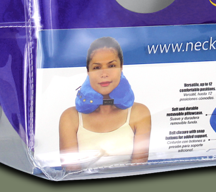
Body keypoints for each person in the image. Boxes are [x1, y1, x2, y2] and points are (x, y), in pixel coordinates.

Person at [58, 37, 151, 171]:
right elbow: (71, 173)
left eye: (112, 65)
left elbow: (138, 169)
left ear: (121, 68)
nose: (104, 74)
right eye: (96, 67)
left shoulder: (140, 113)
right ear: (88, 72)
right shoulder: (70, 117)